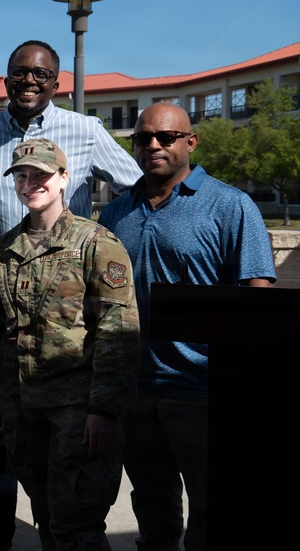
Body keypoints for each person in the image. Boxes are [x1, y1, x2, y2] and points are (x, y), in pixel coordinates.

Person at [0, 40, 140, 551]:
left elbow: (135, 188)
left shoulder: (86, 135)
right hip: (9, 332)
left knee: (76, 510)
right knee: (15, 460)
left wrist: (104, 409)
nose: (29, 81)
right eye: (19, 72)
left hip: (74, 349)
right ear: (6, 78)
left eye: (40, 74)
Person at [98, 103, 276, 551]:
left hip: (202, 390)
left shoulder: (230, 205)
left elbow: (257, 293)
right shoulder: (116, 212)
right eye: (143, 138)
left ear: (190, 142)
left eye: (166, 137)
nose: (153, 145)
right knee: (153, 509)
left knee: (211, 511)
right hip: (136, 389)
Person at [0, 138, 139, 551]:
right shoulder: (6, 249)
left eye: (41, 174)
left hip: (78, 411)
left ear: (63, 178)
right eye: (21, 175)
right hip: (27, 411)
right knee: (47, 517)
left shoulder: (95, 243)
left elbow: (118, 330)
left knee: (78, 526)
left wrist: (104, 411)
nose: (30, 183)